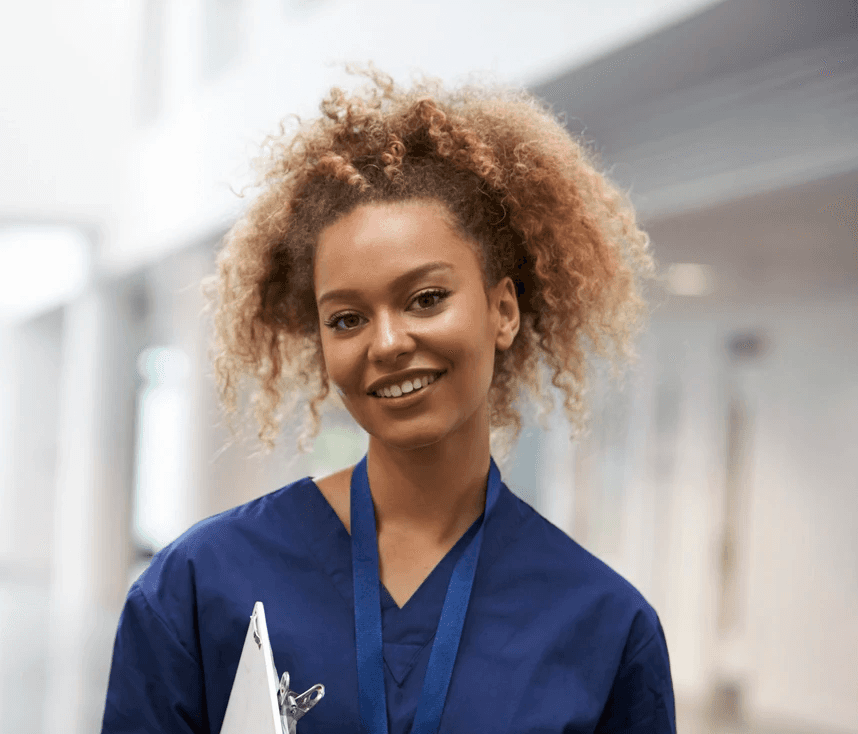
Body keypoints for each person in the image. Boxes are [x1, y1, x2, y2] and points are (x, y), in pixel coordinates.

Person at [101, 68, 674, 733]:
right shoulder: (202, 584)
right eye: (347, 319)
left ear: (504, 310)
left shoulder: (603, 627)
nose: (389, 342)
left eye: (426, 299)